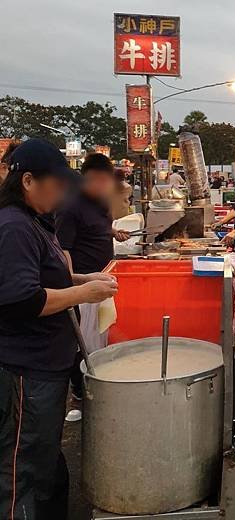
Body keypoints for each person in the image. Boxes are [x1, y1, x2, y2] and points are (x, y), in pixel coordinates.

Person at [0, 139, 118, 520]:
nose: (63, 191)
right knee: (23, 471)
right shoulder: (14, 226)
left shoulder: (35, 221)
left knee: (46, 466)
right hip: (26, 373)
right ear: (28, 180)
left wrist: (84, 277)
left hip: (46, 369)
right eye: (56, 182)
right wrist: (82, 292)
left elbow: (47, 273)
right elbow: (23, 301)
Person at [56, 153, 129, 403]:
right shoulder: (71, 206)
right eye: (94, 179)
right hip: (83, 284)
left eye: (104, 180)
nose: (100, 185)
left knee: (100, 338)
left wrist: (114, 231)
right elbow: (63, 248)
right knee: (81, 343)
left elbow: (98, 227)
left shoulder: (100, 203)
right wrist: (72, 284)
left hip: (103, 280)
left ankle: (97, 385)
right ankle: (79, 391)